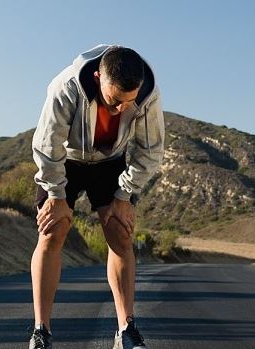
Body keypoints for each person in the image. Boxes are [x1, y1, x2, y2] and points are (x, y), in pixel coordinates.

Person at [29, 44, 165, 349]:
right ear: (97, 77)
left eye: (128, 103)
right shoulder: (65, 87)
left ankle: (126, 331)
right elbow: (47, 145)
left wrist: (124, 195)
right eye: (114, 101)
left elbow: (151, 152)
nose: (120, 110)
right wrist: (55, 195)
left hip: (110, 161)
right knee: (53, 230)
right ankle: (41, 332)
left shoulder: (147, 93)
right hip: (65, 159)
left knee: (120, 231)